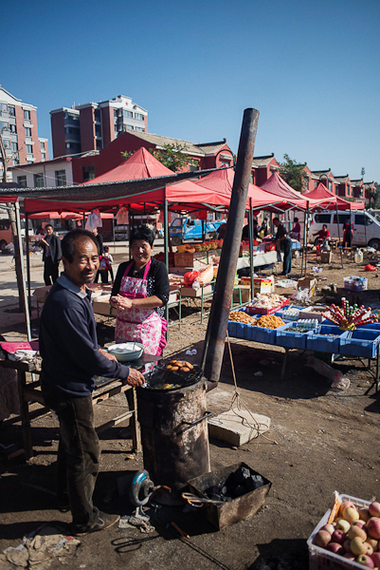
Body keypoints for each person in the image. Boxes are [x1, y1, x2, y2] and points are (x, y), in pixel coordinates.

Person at [39, 229, 144, 536]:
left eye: (94, 258)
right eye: (82, 259)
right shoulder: (65, 302)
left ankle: (65, 497)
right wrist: (124, 373)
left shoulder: (74, 291)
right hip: (69, 387)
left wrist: (95, 348)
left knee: (71, 445)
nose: (90, 265)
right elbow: (86, 357)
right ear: (66, 261)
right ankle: (85, 518)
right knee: (86, 452)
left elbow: (82, 344)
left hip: (63, 380)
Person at [110, 225, 170, 355]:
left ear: (152, 247)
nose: (139, 250)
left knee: (146, 368)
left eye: (144, 246)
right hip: (124, 328)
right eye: (135, 246)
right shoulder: (123, 267)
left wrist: (132, 303)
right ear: (130, 248)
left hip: (148, 330)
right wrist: (114, 301)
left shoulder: (158, 268)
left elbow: (162, 298)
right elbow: (114, 294)